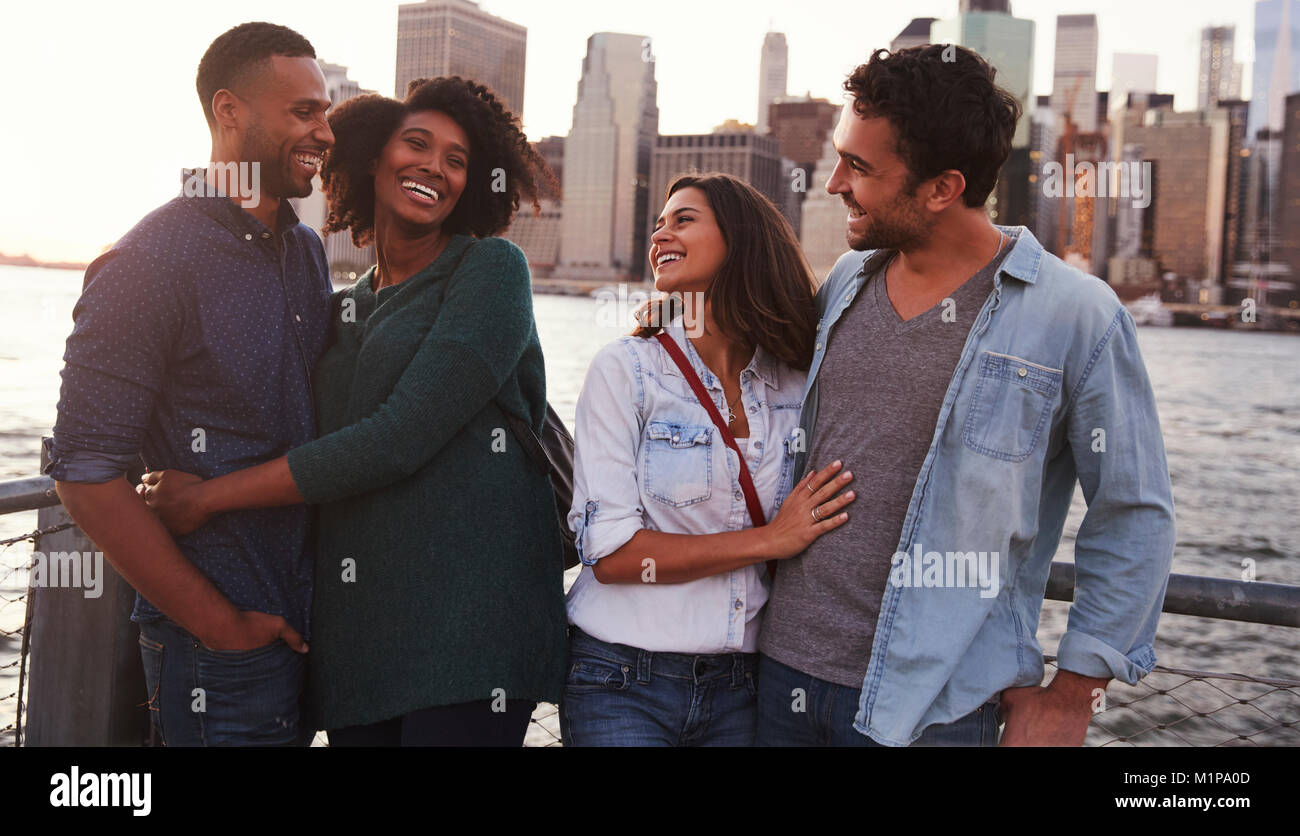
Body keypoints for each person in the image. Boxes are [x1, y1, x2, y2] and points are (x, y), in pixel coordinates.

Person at [755, 44, 1177, 747]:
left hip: (938, 708)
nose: (833, 184)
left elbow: (1134, 511)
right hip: (778, 682)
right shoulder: (845, 282)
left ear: (942, 188)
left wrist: (1073, 694)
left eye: (859, 167)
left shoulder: (1077, 315)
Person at [139, 76, 569, 747]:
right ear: (371, 157)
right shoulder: (345, 301)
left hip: (474, 628)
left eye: (457, 160)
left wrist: (207, 500)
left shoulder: (490, 272)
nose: (435, 167)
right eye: (417, 144)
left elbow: (396, 440)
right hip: (357, 637)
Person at [46, 22, 335, 746]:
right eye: (304, 111)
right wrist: (221, 625)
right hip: (218, 658)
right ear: (230, 112)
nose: (325, 132)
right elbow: (84, 474)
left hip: (309, 638)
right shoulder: (148, 260)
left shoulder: (303, 250)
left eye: (324, 111)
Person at [561, 172, 857, 747]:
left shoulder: (797, 383)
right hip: (621, 678)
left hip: (745, 687)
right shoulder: (627, 370)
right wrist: (771, 540)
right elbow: (614, 557)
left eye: (683, 219)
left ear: (740, 239)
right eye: (657, 224)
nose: (659, 234)